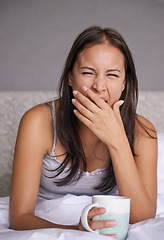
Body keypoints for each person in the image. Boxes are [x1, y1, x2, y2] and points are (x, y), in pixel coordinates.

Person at [9, 26, 157, 237]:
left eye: (112, 75)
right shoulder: (38, 121)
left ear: (124, 83)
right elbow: (19, 217)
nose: (99, 86)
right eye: (88, 73)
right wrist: (77, 230)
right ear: (70, 77)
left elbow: (142, 217)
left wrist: (117, 140)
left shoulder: (142, 131)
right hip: (47, 222)